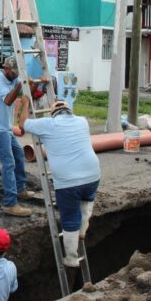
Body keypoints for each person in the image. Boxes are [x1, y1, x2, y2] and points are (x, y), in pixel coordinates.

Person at [20, 101, 100, 267]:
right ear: (69, 110)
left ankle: (71, 259)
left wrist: (25, 104)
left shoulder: (47, 124)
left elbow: (22, 124)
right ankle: (83, 229)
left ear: (53, 113)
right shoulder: (82, 121)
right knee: (86, 201)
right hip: (93, 174)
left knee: (70, 218)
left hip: (68, 181)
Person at [0, 57, 35, 217]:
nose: (16, 75)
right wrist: (20, 85)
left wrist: (32, 85)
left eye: (17, 73)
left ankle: (20, 190)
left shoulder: (12, 78)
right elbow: (7, 100)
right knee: (8, 164)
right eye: (14, 72)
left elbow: (25, 93)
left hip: (5, 128)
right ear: (5, 68)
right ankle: (10, 204)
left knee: (19, 155)